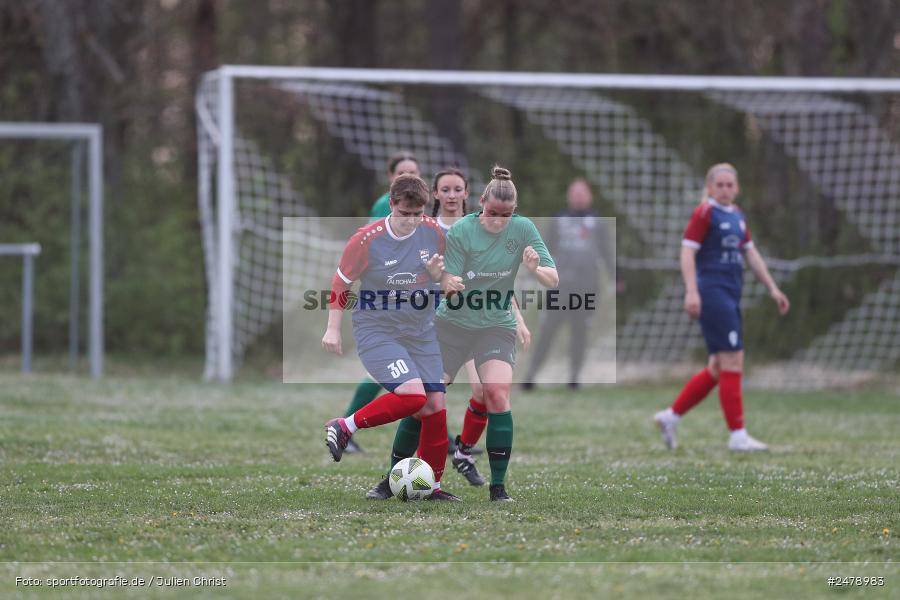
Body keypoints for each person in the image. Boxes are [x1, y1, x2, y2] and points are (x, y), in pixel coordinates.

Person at [371, 165, 557, 502]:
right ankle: (390, 479)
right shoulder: (462, 233)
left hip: (496, 327)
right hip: (451, 327)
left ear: (514, 211)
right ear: (481, 202)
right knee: (424, 402)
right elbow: (449, 288)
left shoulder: (524, 229)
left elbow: (553, 279)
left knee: (497, 395)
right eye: (492, 212)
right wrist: (450, 283)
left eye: (506, 215)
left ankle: (498, 489)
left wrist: (535, 269)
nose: (498, 220)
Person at [322, 173, 460, 500]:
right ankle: (345, 427)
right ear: (392, 203)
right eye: (404, 213)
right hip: (378, 331)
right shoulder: (366, 240)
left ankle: (433, 487)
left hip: (421, 332)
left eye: (417, 214)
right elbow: (341, 284)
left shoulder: (433, 233)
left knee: (435, 408)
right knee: (414, 397)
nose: (411, 221)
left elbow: (442, 277)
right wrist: (332, 327)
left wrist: (446, 281)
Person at [654, 163, 790, 452]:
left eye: (731, 185)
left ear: (737, 188)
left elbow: (752, 255)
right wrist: (692, 291)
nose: (726, 189)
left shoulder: (738, 216)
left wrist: (773, 288)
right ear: (710, 187)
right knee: (733, 360)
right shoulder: (705, 213)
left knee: (717, 367)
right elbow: (687, 252)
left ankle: (670, 417)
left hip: (730, 294)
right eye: (721, 185)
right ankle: (737, 435)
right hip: (712, 293)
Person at [340, 152, 421, 454]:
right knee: (405, 378)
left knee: (424, 379)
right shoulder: (382, 208)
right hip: (388, 309)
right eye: (401, 172)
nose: (408, 176)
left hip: (416, 309)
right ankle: (346, 426)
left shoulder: (423, 210)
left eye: (413, 171)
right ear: (390, 179)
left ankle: (439, 434)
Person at [522, 178, 614, 389]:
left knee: (579, 331)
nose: (579, 197)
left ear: (589, 196)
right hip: (559, 286)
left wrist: (615, 277)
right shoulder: (558, 219)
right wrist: (534, 272)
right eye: (575, 193)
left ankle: (574, 378)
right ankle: (531, 375)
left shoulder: (597, 221)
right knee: (548, 330)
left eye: (583, 193)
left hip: (587, 286)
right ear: (569, 196)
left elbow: (607, 253)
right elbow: (544, 250)